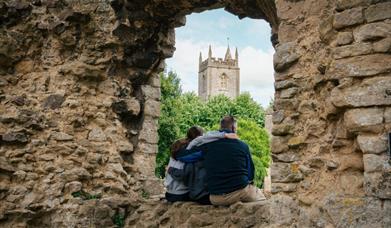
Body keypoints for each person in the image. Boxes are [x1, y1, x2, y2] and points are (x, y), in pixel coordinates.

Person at [176, 116, 266, 206]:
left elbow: (182, 156)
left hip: (216, 198)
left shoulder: (207, 146)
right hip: (241, 193)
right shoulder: (243, 146)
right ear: (233, 128)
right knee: (264, 202)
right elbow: (250, 174)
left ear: (220, 128)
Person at [165, 126, 237, 204]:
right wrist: (224, 135)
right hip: (180, 195)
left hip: (169, 193)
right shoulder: (190, 147)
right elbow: (183, 174)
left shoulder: (178, 146)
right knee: (201, 165)